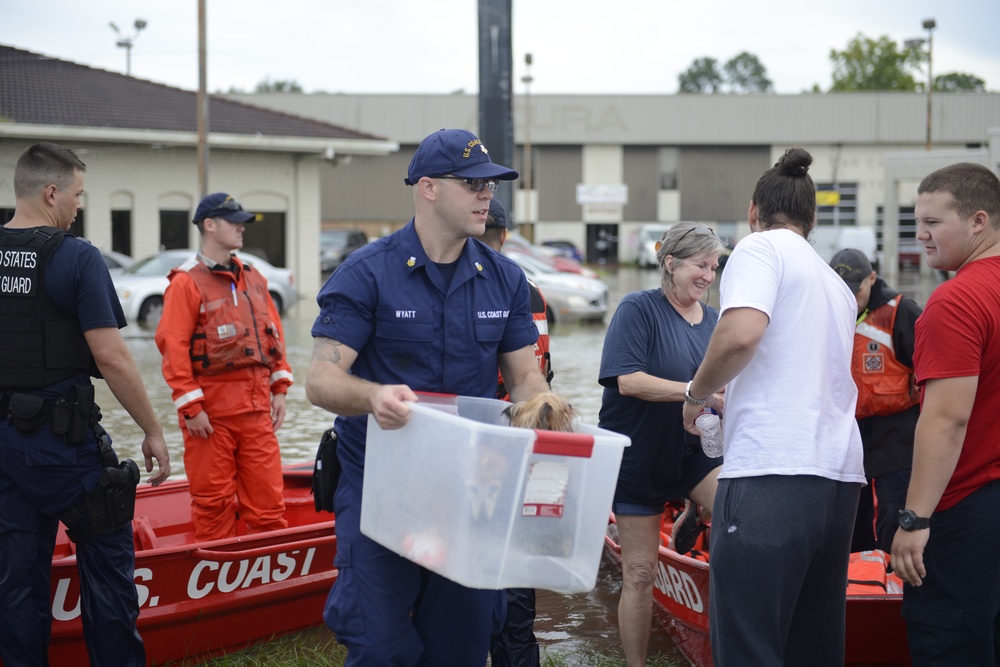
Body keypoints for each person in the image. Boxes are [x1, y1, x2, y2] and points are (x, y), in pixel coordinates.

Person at [305, 128, 551, 667]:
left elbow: (527, 379)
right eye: (472, 183)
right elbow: (320, 380)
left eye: (490, 183)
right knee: (380, 647)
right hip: (379, 491)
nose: (487, 194)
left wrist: (545, 415)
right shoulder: (366, 273)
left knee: (461, 648)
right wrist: (374, 396)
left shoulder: (506, 280)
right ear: (428, 188)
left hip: (468, 493)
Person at [681, 147, 865, 667]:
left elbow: (740, 335)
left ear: (753, 212)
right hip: (838, 478)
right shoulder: (837, 284)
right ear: (812, 220)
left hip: (771, 471)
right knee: (813, 646)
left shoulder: (759, 250)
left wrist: (696, 396)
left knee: (749, 648)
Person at [0, 142, 171, 666]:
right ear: (51, 193)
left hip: (5, 446)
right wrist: (154, 429)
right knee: (108, 566)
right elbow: (113, 357)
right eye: (77, 195)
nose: (79, 206)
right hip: (63, 445)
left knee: (16, 580)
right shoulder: (77, 257)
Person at [598, 221, 727, 667]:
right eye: (700, 265)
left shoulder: (714, 321)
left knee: (739, 512)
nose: (709, 276)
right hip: (639, 458)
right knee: (638, 574)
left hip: (694, 455)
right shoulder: (638, 309)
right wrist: (696, 392)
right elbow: (628, 380)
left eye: (714, 267)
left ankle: (698, 508)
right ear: (670, 263)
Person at [890, 162, 1000, 666]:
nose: (920, 235)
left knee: (951, 644)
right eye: (918, 222)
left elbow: (946, 419)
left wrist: (914, 518)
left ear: (978, 221)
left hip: (966, 511)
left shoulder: (957, 300)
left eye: (933, 223)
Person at [155, 192, 293, 542]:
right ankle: (218, 585)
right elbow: (173, 349)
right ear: (210, 225)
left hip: (257, 410)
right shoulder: (186, 283)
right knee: (213, 505)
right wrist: (192, 408)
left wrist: (280, 390)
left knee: (269, 504)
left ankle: (270, 580)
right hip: (210, 420)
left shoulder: (255, 278)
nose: (241, 228)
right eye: (234, 222)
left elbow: (273, 337)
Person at [479, 197, 549, 667]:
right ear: (505, 236)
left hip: (475, 442)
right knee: (516, 577)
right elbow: (537, 373)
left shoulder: (504, 290)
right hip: (522, 441)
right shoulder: (529, 292)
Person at [829, 248, 922, 554]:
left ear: (871, 278)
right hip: (848, 440)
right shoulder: (828, 314)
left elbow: (929, 373)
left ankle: (894, 586)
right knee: (850, 524)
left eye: (856, 291)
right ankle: (854, 585)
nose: (851, 299)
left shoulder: (902, 312)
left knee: (891, 520)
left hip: (897, 442)